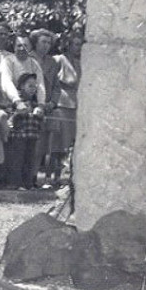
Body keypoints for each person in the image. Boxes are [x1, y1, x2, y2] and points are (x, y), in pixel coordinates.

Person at [29, 28, 61, 187]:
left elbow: (56, 86)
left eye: (49, 43)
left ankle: (36, 176)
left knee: (44, 145)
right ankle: (26, 175)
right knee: (30, 143)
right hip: (30, 105)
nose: (46, 45)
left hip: (48, 107)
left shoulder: (53, 62)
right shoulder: (28, 58)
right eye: (43, 42)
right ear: (35, 42)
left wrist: (52, 103)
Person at [49, 31, 82, 185]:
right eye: (76, 44)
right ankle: (52, 176)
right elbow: (52, 81)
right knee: (57, 141)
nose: (78, 48)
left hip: (75, 105)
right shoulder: (59, 60)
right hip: (61, 104)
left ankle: (68, 176)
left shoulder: (79, 62)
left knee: (70, 142)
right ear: (68, 44)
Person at [3, 73, 44, 189]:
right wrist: (17, 114)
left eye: (35, 86)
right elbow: (8, 120)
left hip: (32, 136)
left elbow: (40, 122)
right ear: (21, 86)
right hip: (18, 136)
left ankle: (28, 183)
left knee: (29, 159)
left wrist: (40, 115)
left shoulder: (36, 103)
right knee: (17, 160)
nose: (33, 89)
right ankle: (15, 183)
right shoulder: (15, 102)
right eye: (30, 86)